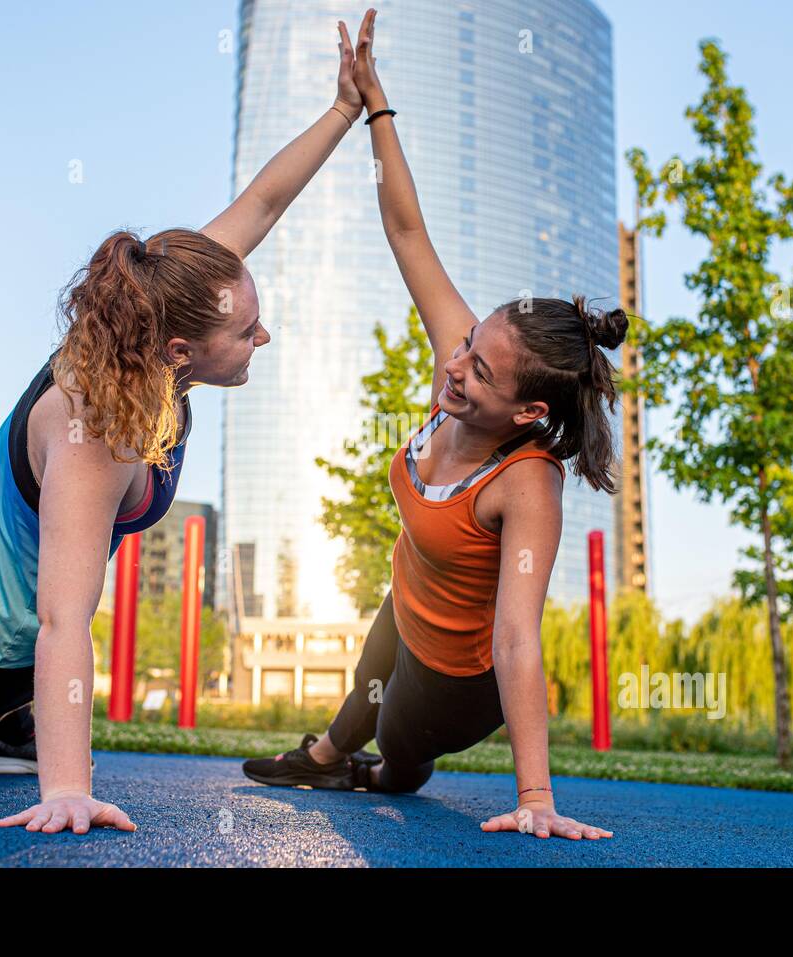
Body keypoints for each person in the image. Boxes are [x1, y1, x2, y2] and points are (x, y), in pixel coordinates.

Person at [0, 19, 370, 837]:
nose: (263, 335)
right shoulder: (97, 431)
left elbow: (261, 203)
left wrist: (342, 109)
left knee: (15, 705)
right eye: (249, 330)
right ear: (184, 350)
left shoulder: (169, 297)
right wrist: (68, 787)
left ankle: (13, 724)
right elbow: (62, 621)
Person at [242, 9, 618, 841]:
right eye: (469, 345)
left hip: (456, 679)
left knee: (400, 761)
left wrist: (537, 796)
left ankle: (367, 761)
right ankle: (328, 750)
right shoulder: (461, 362)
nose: (455, 365)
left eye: (480, 369)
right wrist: (374, 105)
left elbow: (518, 636)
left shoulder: (526, 483)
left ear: (527, 411)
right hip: (407, 607)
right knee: (390, 617)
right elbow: (408, 230)